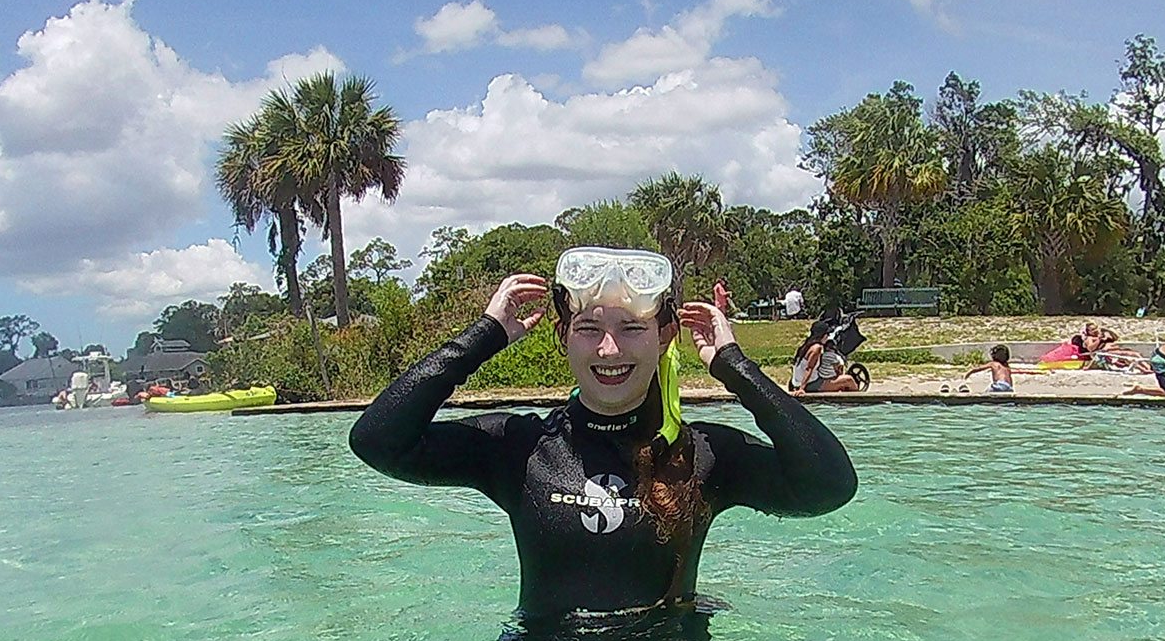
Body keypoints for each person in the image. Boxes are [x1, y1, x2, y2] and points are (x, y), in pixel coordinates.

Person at [350, 247, 858, 618]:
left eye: (632, 329)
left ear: (664, 338)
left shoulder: (703, 456)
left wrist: (734, 367)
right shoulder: (518, 449)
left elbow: (830, 486)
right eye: (589, 328)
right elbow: (378, 439)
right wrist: (483, 337)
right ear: (564, 337)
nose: (609, 350)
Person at [789, 322, 862, 394]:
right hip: (811, 384)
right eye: (827, 334)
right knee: (849, 380)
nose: (828, 336)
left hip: (796, 383)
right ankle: (856, 402)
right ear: (822, 335)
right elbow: (809, 368)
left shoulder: (805, 346)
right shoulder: (816, 348)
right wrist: (802, 388)